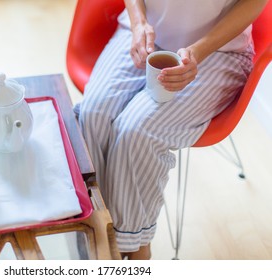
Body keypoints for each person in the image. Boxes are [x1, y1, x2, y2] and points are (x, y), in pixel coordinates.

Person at [76, 0, 268, 260]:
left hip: (218, 51)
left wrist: (198, 51)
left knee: (137, 131)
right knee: (92, 116)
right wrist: (138, 23)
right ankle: (102, 232)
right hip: (143, 30)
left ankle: (132, 248)